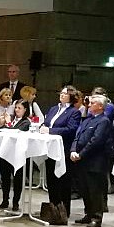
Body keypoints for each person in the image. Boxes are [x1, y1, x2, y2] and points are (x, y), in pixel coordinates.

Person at [70, 94, 112, 227]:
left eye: (92, 103)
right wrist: (73, 150)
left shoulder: (104, 121)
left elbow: (96, 141)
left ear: (100, 106)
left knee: (95, 190)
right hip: (81, 160)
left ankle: (96, 217)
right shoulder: (87, 119)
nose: (89, 105)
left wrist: (81, 154)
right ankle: (88, 213)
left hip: (94, 161)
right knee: (84, 189)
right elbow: (77, 136)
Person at [40, 85, 81, 217]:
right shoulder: (53, 109)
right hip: (50, 148)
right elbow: (46, 123)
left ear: (71, 96)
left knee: (63, 180)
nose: (62, 95)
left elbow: (71, 129)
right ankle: (53, 208)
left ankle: (63, 211)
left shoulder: (74, 112)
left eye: (65, 93)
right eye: (61, 93)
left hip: (64, 149)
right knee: (51, 178)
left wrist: (50, 131)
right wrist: (42, 127)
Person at [0, 100, 31, 211]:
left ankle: (16, 201)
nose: (16, 110)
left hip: (17, 154)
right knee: (5, 178)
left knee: (17, 179)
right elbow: (1, 132)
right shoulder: (11, 119)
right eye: (16, 107)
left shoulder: (26, 122)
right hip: (6, 152)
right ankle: (5, 199)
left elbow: (15, 133)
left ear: (25, 110)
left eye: (19, 108)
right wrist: (1, 124)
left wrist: (8, 123)